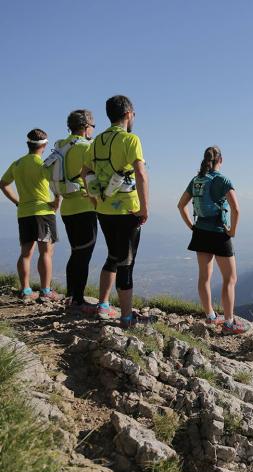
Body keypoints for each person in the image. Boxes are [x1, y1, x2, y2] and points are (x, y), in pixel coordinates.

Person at [82, 95, 149, 328]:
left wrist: (93, 198)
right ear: (128, 114)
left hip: (103, 209)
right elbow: (140, 174)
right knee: (126, 263)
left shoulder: (96, 141)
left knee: (113, 255)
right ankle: (127, 317)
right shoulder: (130, 140)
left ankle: (103, 304)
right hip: (127, 210)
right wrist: (144, 207)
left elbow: (85, 172)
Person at [177, 145, 249, 334]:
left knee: (204, 277)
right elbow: (236, 209)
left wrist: (192, 226)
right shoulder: (222, 180)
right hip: (219, 232)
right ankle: (229, 322)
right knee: (230, 278)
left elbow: (180, 205)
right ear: (221, 160)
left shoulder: (196, 179)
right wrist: (232, 231)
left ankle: (210, 316)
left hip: (200, 231)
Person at [0, 129, 63, 301]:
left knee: (25, 253)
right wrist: (57, 201)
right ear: (44, 145)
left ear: (28, 144)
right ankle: (45, 291)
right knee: (46, 253)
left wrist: (17, 202)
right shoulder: (43, 165)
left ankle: (26, 291)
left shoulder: (17, 164)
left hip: (24, 212)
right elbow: (56, 185)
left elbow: (3, 183)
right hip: (43, 212)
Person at [53, 110, 97, 312]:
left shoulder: (61, 146)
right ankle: (78, 300)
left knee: (76, 252)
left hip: (67, 207)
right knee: (84, 254)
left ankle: (72, 296)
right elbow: (91, 175)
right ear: (86, 126)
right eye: (93, 126)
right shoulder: (85, 147)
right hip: (84, 205)